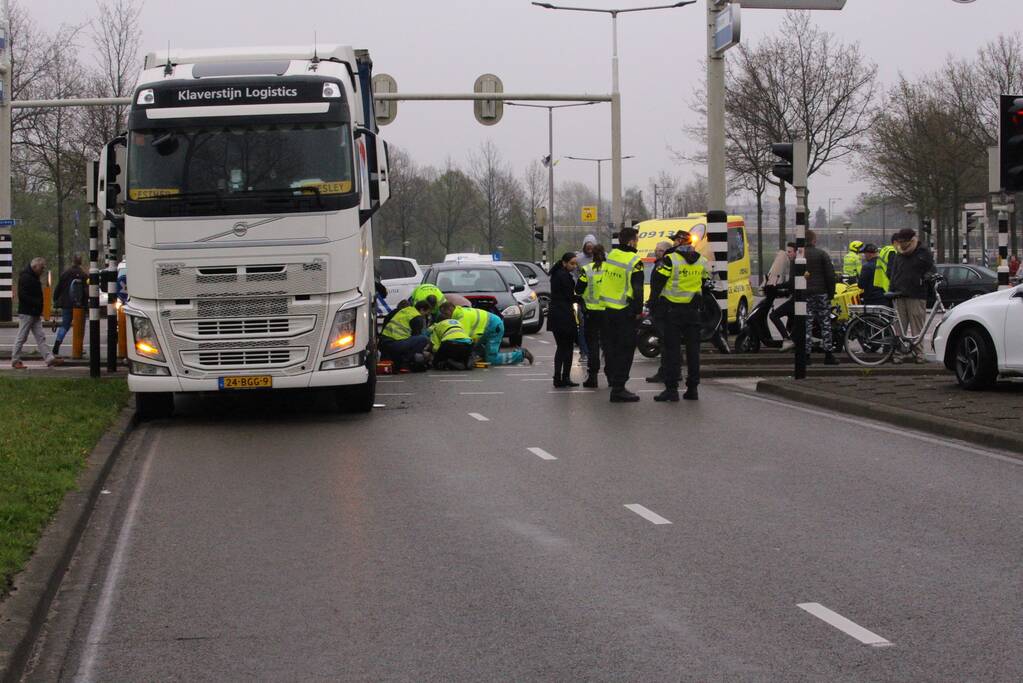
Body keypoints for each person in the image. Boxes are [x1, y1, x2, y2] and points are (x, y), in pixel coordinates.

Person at [651, 232, 711, 402]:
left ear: (678, 243)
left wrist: (654, 303)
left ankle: (671, 390)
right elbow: (707, 282)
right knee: (693, 352)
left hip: (672, 312)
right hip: (693, 313)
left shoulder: (671, 260)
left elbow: (657, 281)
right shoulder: (701, 261)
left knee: (672, 352)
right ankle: (692, 389)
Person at [599, 227, 645, 402]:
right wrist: (637, 311)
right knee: (625, 350)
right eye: (637, 239)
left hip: (607, 310)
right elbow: (638, 289)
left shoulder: (611, 256)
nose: (638, 242)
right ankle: (619, 388)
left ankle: (612, 379)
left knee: (611, 348)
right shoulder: (635, 261)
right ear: (631, 241)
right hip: (624, 311)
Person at [889, 228, 936, 364]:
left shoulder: (923, 252)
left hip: (916, 294)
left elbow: (931, 269)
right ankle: (899, 354)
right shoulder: (899, 254)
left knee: (917, 327)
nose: (901, 244)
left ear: (911, 240)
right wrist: (892, 289)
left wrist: (926, 278)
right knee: (899, 327)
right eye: (900, 241)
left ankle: (919, 354)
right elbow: (894, 272)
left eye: (903, 241)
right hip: (899, 294)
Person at [12, 257, 62, 369]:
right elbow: (22, 295)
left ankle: (49, 359)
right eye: (41, 268)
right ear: (34, 267)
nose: (43, 270)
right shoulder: (26, 277)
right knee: (22, 337)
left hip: (34, 312)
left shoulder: (32, 276)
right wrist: (38, 303)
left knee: (40, 336)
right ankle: (15, 360)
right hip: (27, 312)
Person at [452, 302, 533, 367]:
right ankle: (485, 353)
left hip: (494, 327)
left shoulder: (462, 318)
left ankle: (521, 354)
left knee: (491, 359)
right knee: (476, 352)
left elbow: (465, 340)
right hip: (488, 326)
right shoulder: (459, 312)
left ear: (448, 312)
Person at [804, 230, 839, 365]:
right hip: (821, 293)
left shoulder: (799, 255)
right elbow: (830, 276)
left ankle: (806, 356)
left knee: (807, 324)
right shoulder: (822, 254)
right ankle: (828, 355)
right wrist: (831, 293)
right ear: (814, 240)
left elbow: (793, 276)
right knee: (825, 323)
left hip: (805, 294)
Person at [575, 244, 607, 388]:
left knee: (593, 346)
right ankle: (612, 376)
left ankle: (593, 377)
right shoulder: (612, 270)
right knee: (609, 345)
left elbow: (578, 289)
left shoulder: (587, 270)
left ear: (592, 255)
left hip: (592, 313)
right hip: (610, 312)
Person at [548, 251, 580, 387]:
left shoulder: (556, 274)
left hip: (555, 315)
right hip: (564, 315)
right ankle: (565, 377)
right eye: (572, 263)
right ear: (564, 263)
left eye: (575, 263)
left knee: (561, 347)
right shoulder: (564, 276)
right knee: (567, 348)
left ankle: (557, 377)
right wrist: (582, 299)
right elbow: (569, 296)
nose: (574, 266)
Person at [378, 300, 433, 371]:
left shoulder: (407, 310)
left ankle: (400, 360)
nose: (425, 316)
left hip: (384, 342)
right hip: (395, 343)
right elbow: (416, 337)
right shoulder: (417, 317)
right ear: (422, 309)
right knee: (423, 339)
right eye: (426, 313)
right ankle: (405, 362)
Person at [52, 254, 86, 356]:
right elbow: (86, 290)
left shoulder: (65, 273)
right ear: (80, 262)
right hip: (79, 305)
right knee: (80, 326)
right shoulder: (83, 274)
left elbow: (59, 288)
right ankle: (79, 347)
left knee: (65, 325)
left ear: (72, 261)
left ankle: (57, 344)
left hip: (66, 304)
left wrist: (55, 300)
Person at [428, 304, 475, 370]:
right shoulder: (458, 322)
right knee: (465, 353)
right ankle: (467, 362)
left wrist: (434, 356)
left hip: (449, 344)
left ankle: (449, 361)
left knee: (436, 363)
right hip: (468, 343)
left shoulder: (437, 326)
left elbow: (436, 347)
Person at [768, 242, 797, 345]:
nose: (788, 254)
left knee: (773, 315)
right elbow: (794, 285)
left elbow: (791, 283)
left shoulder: (795, 263)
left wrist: (776, 286)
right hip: (796, 297)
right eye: (787, 252)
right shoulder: (796, 262)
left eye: (790, 252)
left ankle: (787, 340)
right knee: (790, 324)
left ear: (796, 252)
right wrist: (783, 292)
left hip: (797, 300)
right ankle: (792, 340)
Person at [574, 234, 597, 364]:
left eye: (591, 247)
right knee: (582, 326)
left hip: (598, 299)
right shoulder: (579, 259)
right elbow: (574, 275)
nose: (589, 249)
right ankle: (584, 352)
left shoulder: (601, 257)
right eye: (587, 247)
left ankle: (596, 351)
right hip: (583, 298)